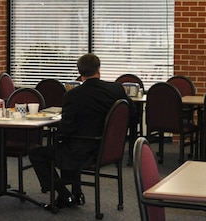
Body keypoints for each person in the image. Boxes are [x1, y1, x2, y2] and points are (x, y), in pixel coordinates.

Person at [29, 53, 134, 208]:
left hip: (82, 152)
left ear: (80, 73)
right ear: (98, 70)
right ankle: (76, 193)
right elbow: (131, 114)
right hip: (108, 149)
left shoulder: (72, 95)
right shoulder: (116, 89)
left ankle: (65, 195)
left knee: (38, 154)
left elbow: (67, 129)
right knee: (70, 144)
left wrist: (56, 128)